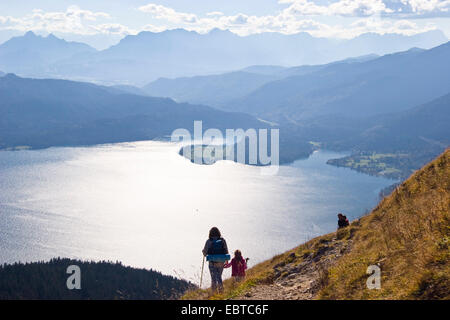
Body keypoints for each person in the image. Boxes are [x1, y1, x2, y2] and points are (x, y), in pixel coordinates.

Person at [202, 227, 229, 293]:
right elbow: (226, 251)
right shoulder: (222, 240)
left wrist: (203, 252)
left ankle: (214, 293)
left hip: (212, 263)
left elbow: (205, 253)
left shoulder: (209, 241)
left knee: (213, 279)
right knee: (219, 276)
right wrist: (226, 260)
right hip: (221, 262)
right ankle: (221, 292)